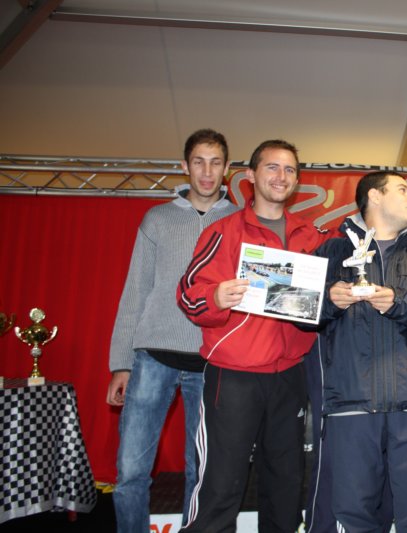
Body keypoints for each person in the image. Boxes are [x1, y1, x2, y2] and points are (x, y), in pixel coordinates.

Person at [176, 139, 331, 532]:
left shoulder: (311, 237)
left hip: (290, 375)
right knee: (220, 485)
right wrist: (216, 296)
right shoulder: (225, 231)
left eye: (290, 169)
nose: (281, 176)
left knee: (284, 487)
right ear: (250, 175)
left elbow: (324, 304)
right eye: (272, 167)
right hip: (234, 376)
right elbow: (189, 294)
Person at [107, 128, 238, 532]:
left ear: (227, 169)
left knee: (199, 472)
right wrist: (121, 364)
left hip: (211, 360)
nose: (207, 171)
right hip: (152, 357)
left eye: (215, 163)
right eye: (199, 162)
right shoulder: (157, 218)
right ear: (184, 166)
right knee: (130, 471)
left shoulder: (239, 221)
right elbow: (135, 291)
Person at [313, 171, 407, 531]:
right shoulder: (332, 251)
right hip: (351, 404)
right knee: (352, 513)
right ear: (374, 197)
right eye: (403, 189)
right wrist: (329, 300)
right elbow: (298, 313)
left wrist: (399, 301)